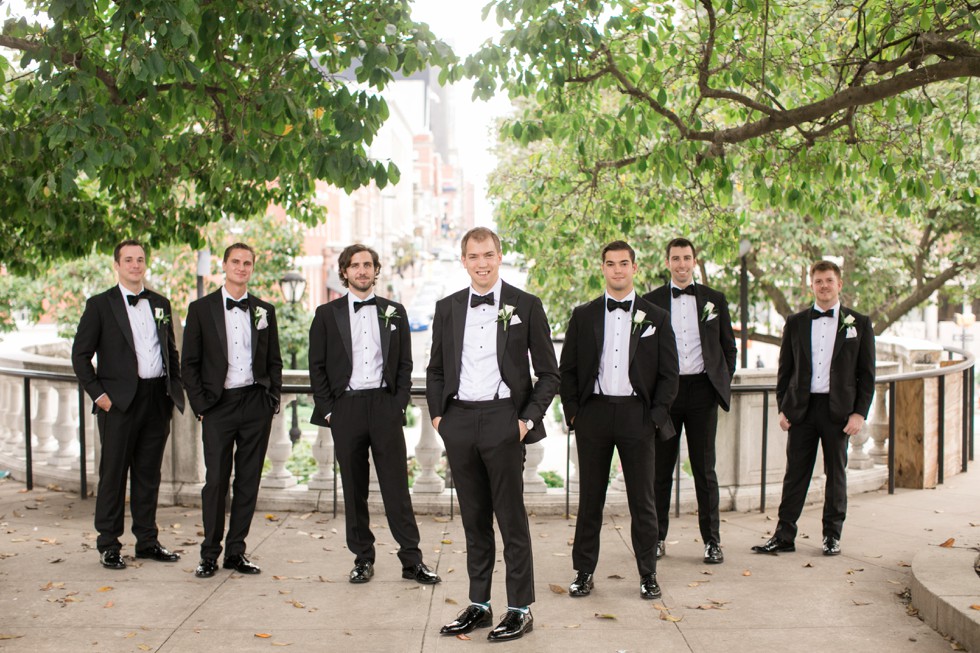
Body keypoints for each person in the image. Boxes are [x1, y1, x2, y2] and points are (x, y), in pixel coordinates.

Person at [427, 227, 559, 642]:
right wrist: (439, 419)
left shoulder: (526, 305)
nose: (481, 263)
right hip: (460, 421)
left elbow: (549, 373)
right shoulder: (447, 308)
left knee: (510, 518)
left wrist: (524, 421)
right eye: (473, 256)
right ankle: (480, 605)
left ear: (500, 256)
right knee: (473, 519)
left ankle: (520, 608)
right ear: (462, 260)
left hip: (505, 420)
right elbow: (435, 369)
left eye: (488, 255)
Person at [308, 244, 440, 586]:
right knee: (354, 489)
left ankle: (411, 559)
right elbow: (317, 367)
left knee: (397, 487)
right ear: (345, 272)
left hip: (384, 407)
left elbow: (406, 363)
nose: (362, 271)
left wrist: (396, 404)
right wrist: (331, 412)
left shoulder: (394, 311)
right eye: (355, 266)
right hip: (346, 409)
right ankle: (362, 558)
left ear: (376, 270)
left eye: (368, 265)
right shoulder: (326, 314)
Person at [560, 240, 679, 600]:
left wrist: (654, 418)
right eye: (610, 263)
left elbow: (669, 375)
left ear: (634, 268)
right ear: (603, 268)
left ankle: (647, 574)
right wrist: (574, 414)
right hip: (593, 414)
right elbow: (567, 370)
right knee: (590, 499)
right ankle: (583, 572)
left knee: (643, 500)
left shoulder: (656, 317)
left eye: (623, 263)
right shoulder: (583, 315)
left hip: (636, 416)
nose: (617, 270)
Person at [71, 239, 185, 570]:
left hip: (156, 400)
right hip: (118, 404)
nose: (135, 265)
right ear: (117, 265)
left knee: (149, 475)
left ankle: (147, 541)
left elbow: (170, 351)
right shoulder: (99, 305)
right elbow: (80, 356)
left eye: (140, 259)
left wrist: (172, 390)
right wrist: (99, 395)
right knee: (114, 475)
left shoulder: (161, 303)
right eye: (129, 260)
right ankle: (108, 544)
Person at [752, 260, 875, 556]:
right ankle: (784, 535)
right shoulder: (796, 323)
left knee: (836, 474)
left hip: (839, 412)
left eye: (829, 280)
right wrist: (784, 408)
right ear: (811, 285)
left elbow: (867, 374)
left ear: (839, 284)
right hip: (803, 411)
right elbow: (785, 370)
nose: (824, 286)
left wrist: (859, 413)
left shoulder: (858, 323)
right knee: (795, 474)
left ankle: (832, 535)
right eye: (818, 281)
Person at [181, 243, 283, 578]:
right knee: (216, 482)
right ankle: (209, 553)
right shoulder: (201, 309)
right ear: (224, 266)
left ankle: (236, 551)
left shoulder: (264, 310)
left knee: (248, 482)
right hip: (218, 405)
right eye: (235, 262)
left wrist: (271, 400)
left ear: (253, 268)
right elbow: (189, 364)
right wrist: (201, 407)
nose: (241, 267)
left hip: (255, 404)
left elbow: (274, 361)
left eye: (247, 263)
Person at [643, 238, 736, 564]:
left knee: (704, 471)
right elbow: (642, 352)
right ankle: (656, 539)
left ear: (694, 261)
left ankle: (712, 541)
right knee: (660, 472)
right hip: (665, 396)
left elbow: (728, 348)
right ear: (667, 262)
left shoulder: (715, 300)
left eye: (686, 258)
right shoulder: (650, 301)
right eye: (675, 259)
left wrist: (718, 385)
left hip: (702, 394)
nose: (681, 264)